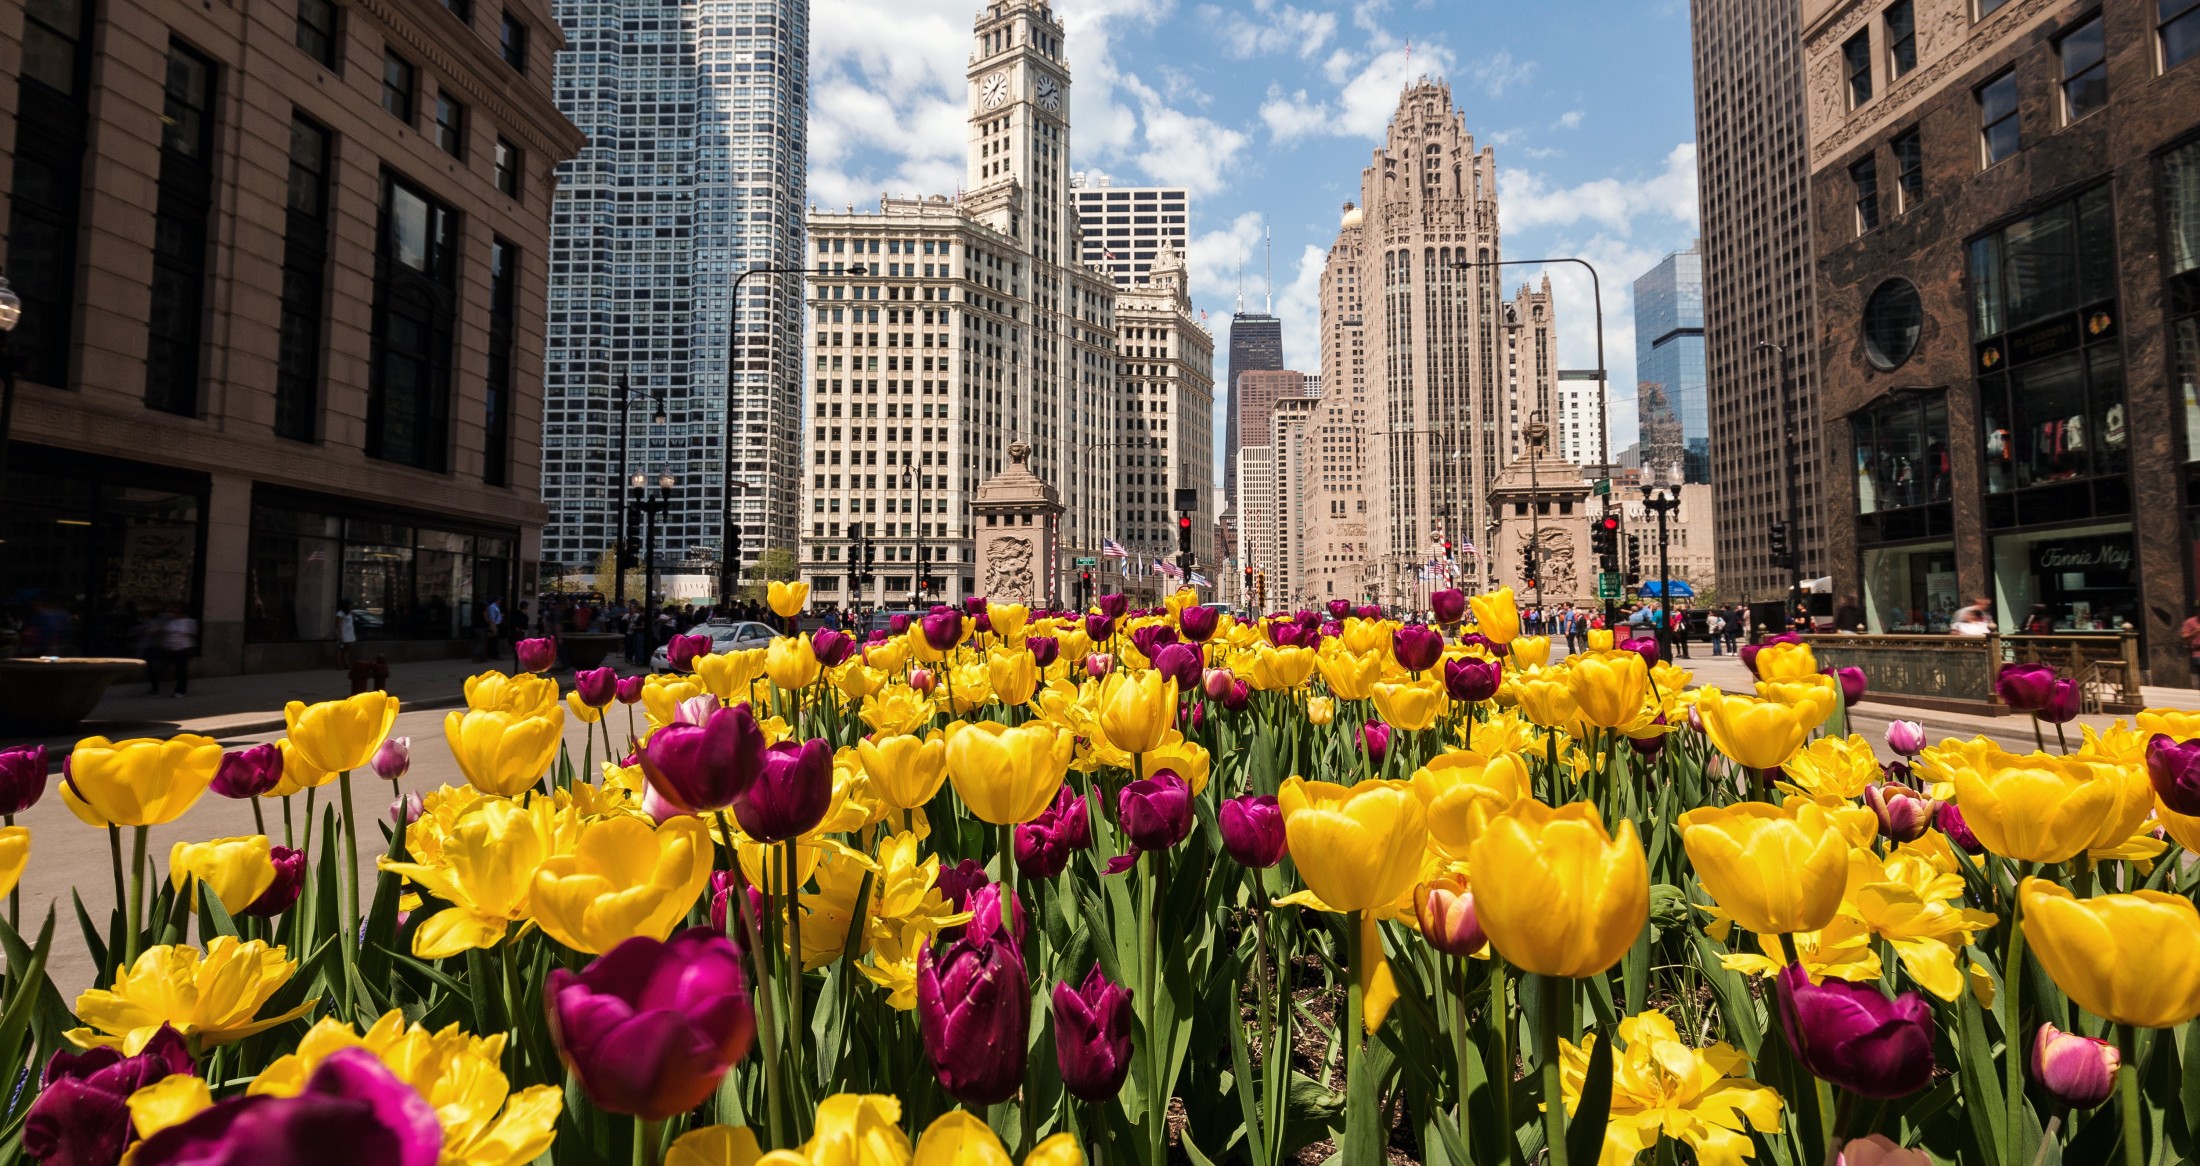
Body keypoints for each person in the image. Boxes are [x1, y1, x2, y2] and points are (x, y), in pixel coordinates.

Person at [147, 604, 198, 697]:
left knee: (181, 670)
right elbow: (165, 633)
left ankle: (180, 691)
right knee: (158, 668)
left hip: (183, 648)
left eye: (175, 608)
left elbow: (192, 636)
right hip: (169, 648)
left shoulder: (189, 622)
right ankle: (156, 687)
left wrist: (191, 649)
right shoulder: (171, 622)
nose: (173, 610)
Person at [336, 599, 358, 669]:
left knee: (347, 649)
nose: (350, 606)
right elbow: (339, 625)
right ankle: (340, 664)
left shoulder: (349, 613)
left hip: (349, 633)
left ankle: (346, 663)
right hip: (343, 633)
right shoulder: (340, 613)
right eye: (349, 605)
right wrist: (340, 635)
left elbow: (352, 621)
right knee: (341, 649)